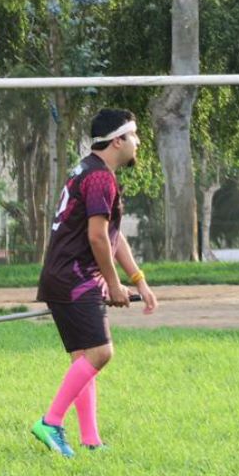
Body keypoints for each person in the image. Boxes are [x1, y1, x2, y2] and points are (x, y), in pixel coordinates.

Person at [31, 108, 158, 458]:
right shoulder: (101, 178)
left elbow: (113, 237)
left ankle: (91, 439)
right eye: (133, 136)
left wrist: (139, 280)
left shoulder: (86, 169)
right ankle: (51, 421)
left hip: (63, 277)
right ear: (117, 140)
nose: (138, 143)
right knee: (101, 353)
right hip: (75, 278)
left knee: (83, 359)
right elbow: (98, 238)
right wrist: (114, 286)